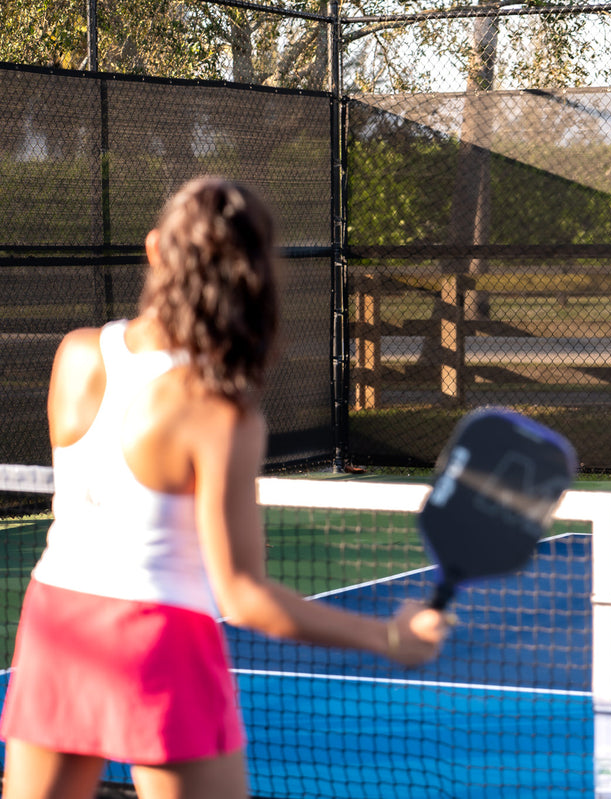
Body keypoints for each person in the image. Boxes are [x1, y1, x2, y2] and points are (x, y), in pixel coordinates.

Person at [0, 177, 451, 799]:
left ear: (156, 249)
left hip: (56, 621)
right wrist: (387, 638)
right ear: (253, 278)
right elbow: (242, 595)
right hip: (159, 642)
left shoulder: (76, 355)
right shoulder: (220, 410)